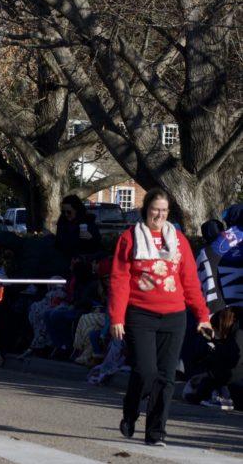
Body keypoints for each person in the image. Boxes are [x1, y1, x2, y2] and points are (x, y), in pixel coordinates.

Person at [109, 188, 212, 447]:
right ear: (146, 210)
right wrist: (116, 317)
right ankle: (131, 411)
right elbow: (119, 280)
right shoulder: (129, 238)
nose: (160, 215)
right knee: (145, 372)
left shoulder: (178, 240)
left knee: (166, 377)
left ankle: (156, 433)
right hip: (140, 314)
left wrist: (202, 316)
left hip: (174, 316)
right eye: (156, 209)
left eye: (164, 210)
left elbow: (190, 282)